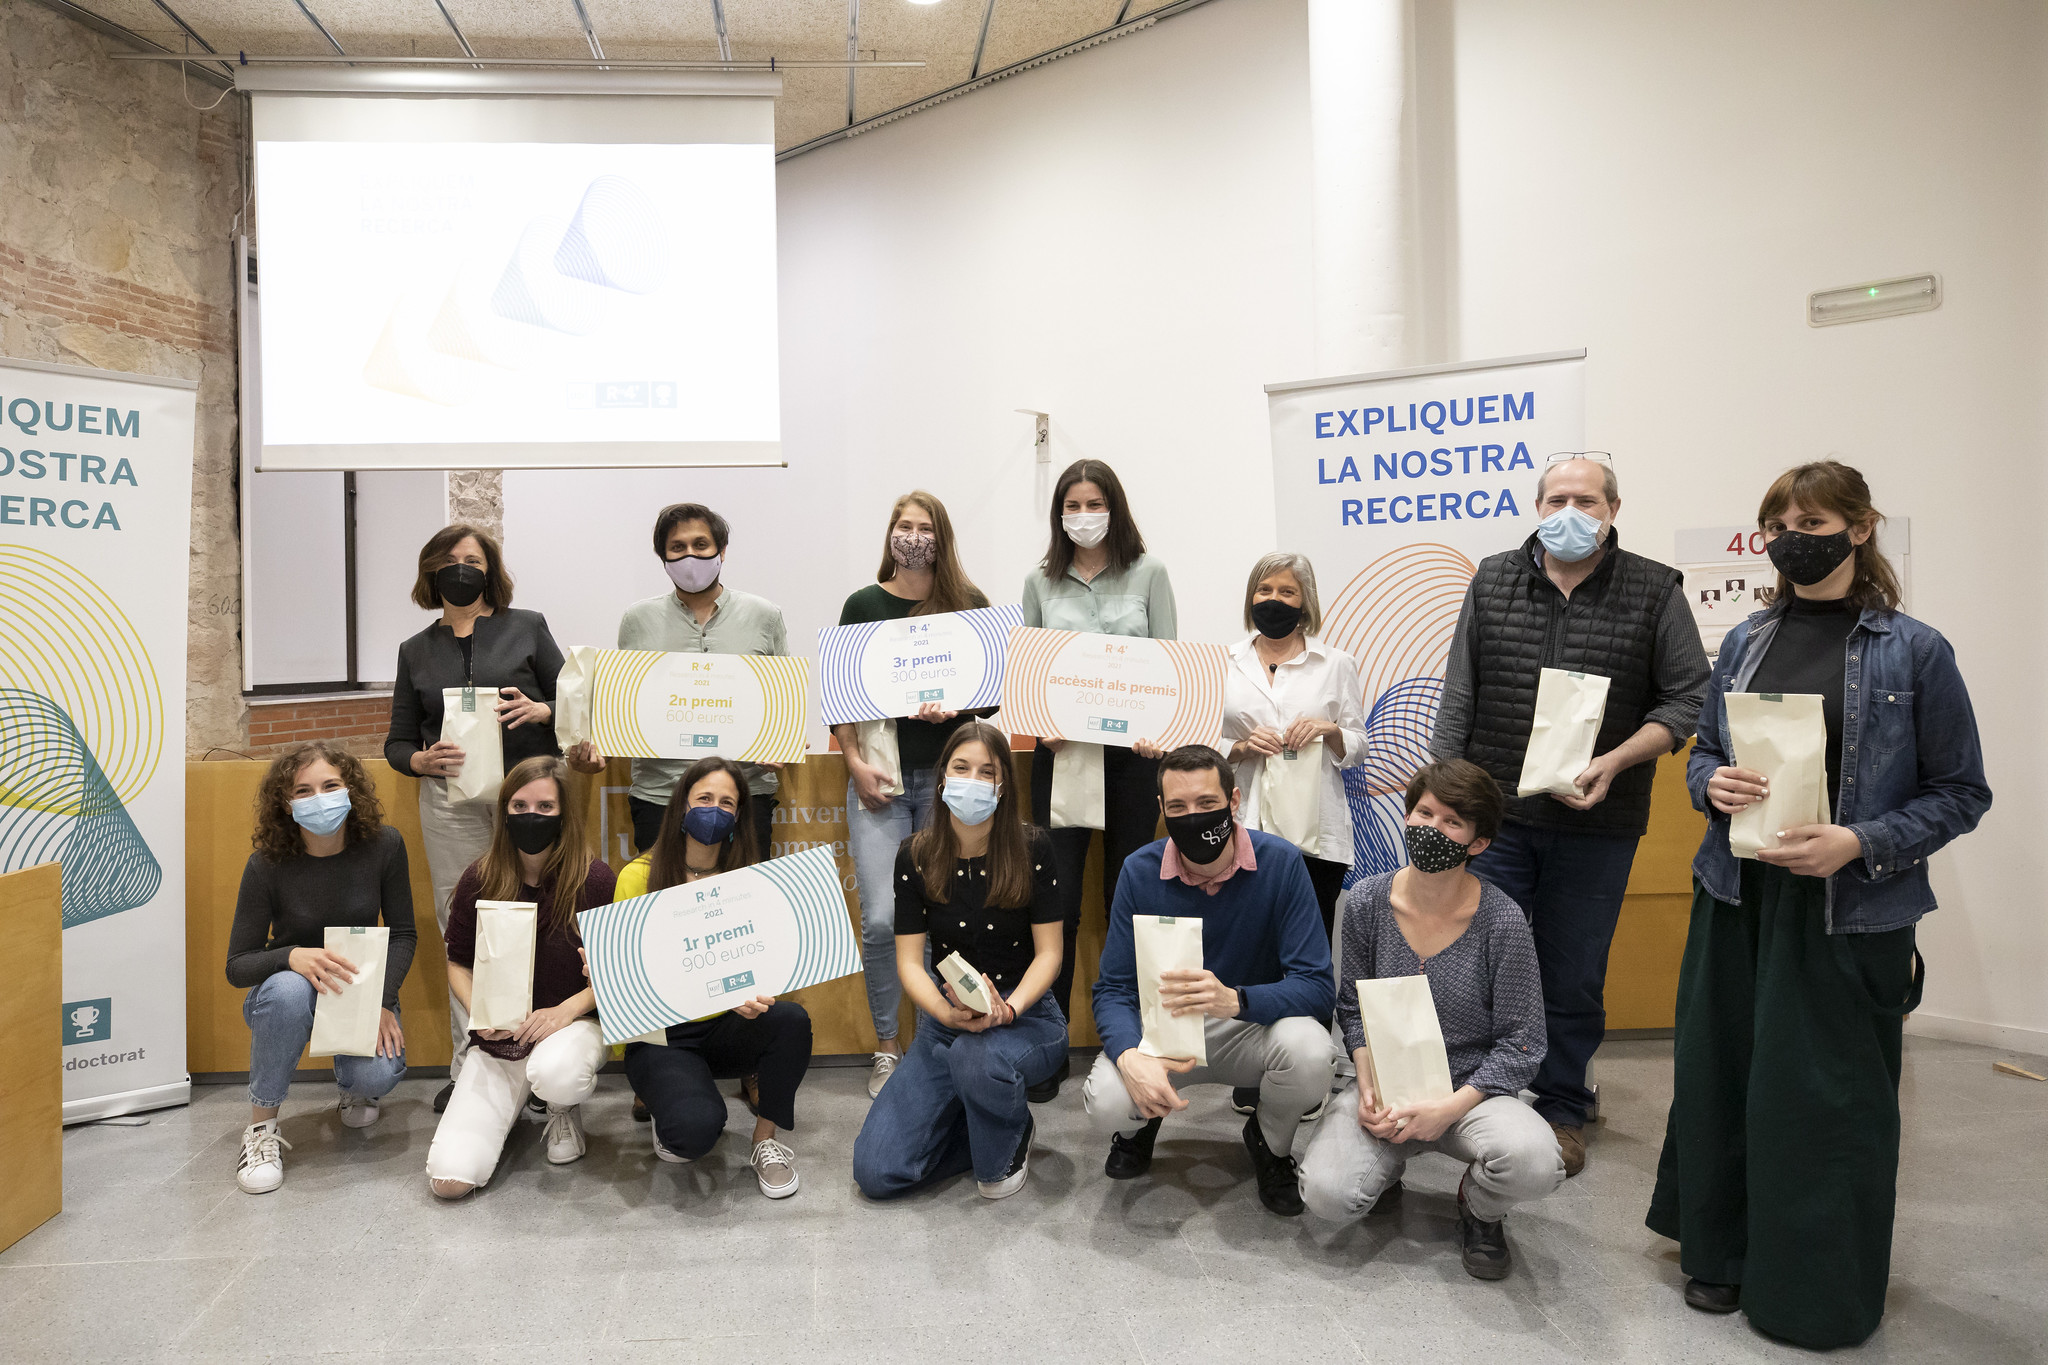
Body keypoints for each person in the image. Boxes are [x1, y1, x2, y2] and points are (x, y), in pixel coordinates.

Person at [1647, 461, 1989, 1347]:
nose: (1793, 535)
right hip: (1737, 893)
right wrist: (1706, 782)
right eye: (1778, 522)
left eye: (1811, 518)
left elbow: (1961, 791)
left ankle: (1814, 1289)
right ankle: (1718, 1255)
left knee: (1826, 1100)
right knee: (1722, 1073)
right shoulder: (1747, 640)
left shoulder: (1915, 650)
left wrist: (1859, 841)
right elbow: (1702, 750)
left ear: (1861, 526)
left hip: (1849, 911)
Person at [1429, 454, 1709, 1176]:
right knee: (1477, 962)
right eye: (1557, 497)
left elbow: (1687, 699)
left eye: (1587, 500)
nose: (1570, 511)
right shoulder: (1493, 577)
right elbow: (1460, 691)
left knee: (1573, 971)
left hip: (1598, 824)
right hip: (1497, 820)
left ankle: (1561, 1104)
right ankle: (1479, 1093)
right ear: (1535, 502)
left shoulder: (1655, 590)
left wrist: (1615, 760)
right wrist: (1442, 801)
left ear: (1614, 509)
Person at [1299, 760, 1564, 1279]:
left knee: (1536, 1163)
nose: (1431, 829)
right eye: (1423, 813)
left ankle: (1480, 1207)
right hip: (1385, 1082)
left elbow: (1523, 1042)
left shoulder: (1502, 919)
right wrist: (1368, 1083)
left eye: (1452, 822)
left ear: (1478, 843)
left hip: (1470, 1094)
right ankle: (1385, 1169)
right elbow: (1351, 1006)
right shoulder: (1368, 902)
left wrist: (1448, 1109)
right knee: (1327, 1196)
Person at [1082, 745, 1336, 1216]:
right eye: (1177, 807)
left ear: (1234, 801)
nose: (1193, 817)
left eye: (1206, 804)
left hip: (1247, 1027)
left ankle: (1270, 1145)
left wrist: (1236, 1000)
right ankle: (1141, 1124)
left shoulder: (1280, 863)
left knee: (1312, 1052)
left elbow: (1318, 985)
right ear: (1160, 809)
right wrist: (1129, 1056)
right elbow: (1113, 989)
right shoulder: (1139, 870)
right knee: (1106, 1102)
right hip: (1163, 1033)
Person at [386, 522, 566, 1114]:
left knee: (536, 919)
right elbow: (396, 743)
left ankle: (538, 1058)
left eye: (475, 558)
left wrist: (542, 708)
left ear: (491, 570)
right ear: (431, 570)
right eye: (451, 559)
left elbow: (575, 704)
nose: (463, 567)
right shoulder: (415, 650)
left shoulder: (527, 626)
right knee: (461, 924)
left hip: (527, 796)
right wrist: (419, 758)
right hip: (449, 802)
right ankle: (474, 1063)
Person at [851, 723, 1066, 1200]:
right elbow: (909, 962)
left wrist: (1008, 1010)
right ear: (943, 778)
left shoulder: (1032, 848)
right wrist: (944, 1013)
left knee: (991, 1160)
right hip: (948, 1019)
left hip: (1025, 1014)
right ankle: (975, 1114)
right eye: (961, 768)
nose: (973, 780)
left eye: (987, 772)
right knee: (875, 1171)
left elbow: (1050, 954)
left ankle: (1009, 1127)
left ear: (1003, 784)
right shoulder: (916, 854)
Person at [1022, 459, 1178, 1101]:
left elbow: (1171, 662)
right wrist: (1039, 720)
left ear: (1114, 506)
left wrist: (1157, 725)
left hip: (1132, 760)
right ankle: (1048, 1047)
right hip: (1061, 757)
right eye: (1072, 505)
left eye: (1094, 503)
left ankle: (1132, 1045)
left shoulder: (1151, 573)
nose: (1083, 515)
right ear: (1059, 514)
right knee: (1052, 904)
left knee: (1129, 896)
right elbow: (1026, 669)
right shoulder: (1039, 580)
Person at [835, 491, 995, 1100]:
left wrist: (959, 705)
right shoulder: (864, 604)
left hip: (955, 785)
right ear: (890, 535)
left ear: (942, 536)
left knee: (952, 915)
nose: (913, 535)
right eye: (904, 525)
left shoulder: (970, 604)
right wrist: (853, 764)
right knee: (881, 921)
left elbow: (992, 694)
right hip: (882, 780)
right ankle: (885, 1045)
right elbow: (842, 694)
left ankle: (939, 1040)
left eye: (924, 527)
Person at [614, 757, 813, 1197]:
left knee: (791, 1020)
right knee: (692, 1135)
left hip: (724, 1026)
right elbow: (631, 989)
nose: (715, 810)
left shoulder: (747, 881)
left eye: (727, 803)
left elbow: (757, 965)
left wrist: (751, 993)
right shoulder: (638, 876)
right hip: (662, 1037)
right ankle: (672, 1100)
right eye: (705, 798)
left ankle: (765, 1142)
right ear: (681, 806)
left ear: (739, 816)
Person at [225, 742, 415, 1195]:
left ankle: (353, 1085)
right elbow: (237, 966)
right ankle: (260, 1129)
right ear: (286, 805)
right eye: (303, 791)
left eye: (330, 786)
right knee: (288, 992)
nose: (320, 798)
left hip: (358, 987)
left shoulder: (384, 846)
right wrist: (290, 956)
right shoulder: (266, 865)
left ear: (351, 790)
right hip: (286, 993)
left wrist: (381, 1003)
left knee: (377, 1076)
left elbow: (404, 933)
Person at [426, 756, 616, 1199]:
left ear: (564, 813)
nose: (532, 816)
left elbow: (613, 976)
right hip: (502, 1036)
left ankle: (561, 1108)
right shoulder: (480, 877)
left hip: (572, 1028)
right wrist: (481, 1010)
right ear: (504, 812)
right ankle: (505, 1116)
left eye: (546, 807)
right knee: (450, 1183)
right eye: (519, 806)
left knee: (558, 1073)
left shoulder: (595, 880)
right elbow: (457, 962)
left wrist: (565, 1012)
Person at [1221, 551, 1370, 940]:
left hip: (1316, 833)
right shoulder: (1223, 663)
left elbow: (1359, 746)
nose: (1274, 599)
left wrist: (1331, 730)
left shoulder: (1336, 664)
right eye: (1264, 589)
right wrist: (1239, 747)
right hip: (1243, 825)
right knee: (1249, 943)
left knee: (1310, 942)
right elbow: (1202, 745)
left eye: (1288, 591)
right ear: (1250, 598)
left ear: (1305, 602)